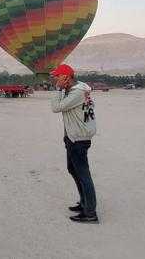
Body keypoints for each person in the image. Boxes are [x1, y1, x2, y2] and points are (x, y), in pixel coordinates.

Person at [50, 64, 98, 224]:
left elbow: (56, 108)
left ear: (66, 77)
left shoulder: (77, 92)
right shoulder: (76, 90)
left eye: (57, 76)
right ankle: (84, 203)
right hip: (73, 136)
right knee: (73, 170)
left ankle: (90, 213)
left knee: (83, 174)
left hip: (78, 138)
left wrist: (58, 90)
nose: (55, 79)